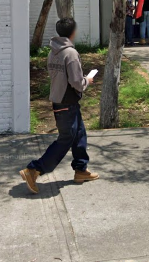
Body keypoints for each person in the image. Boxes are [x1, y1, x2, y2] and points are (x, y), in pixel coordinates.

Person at [21, 18, 98, 193]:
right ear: (73, 32)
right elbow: (77, 82)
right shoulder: (70, 53)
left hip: (62, 100)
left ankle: (81, 170)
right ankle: (34, 169)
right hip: (66, 102)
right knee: (65, 140)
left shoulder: (53, 51)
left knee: (79, 134)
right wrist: (88, 80)